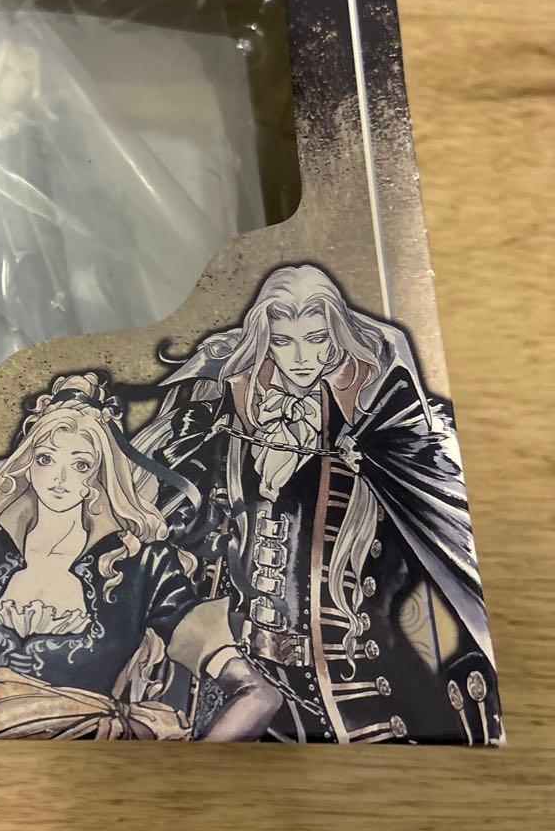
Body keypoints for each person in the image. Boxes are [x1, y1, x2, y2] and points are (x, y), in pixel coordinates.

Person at [146, 264, 501, 744]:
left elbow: (456, 535)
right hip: (249, 698)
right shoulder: (230, 427)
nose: (301, 358)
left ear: (337, 337)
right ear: (265, 342)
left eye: (316, 339)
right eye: (283, 341)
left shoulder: (386, 431)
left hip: (362, 702)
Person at [0, 372, 281, 740]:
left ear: (99, 476)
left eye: (81, 464)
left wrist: (199, 770)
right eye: (46, 458)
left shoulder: (141, 566)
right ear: (27, 466)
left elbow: (259, 696)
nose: (60, 478)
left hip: (97, 764)